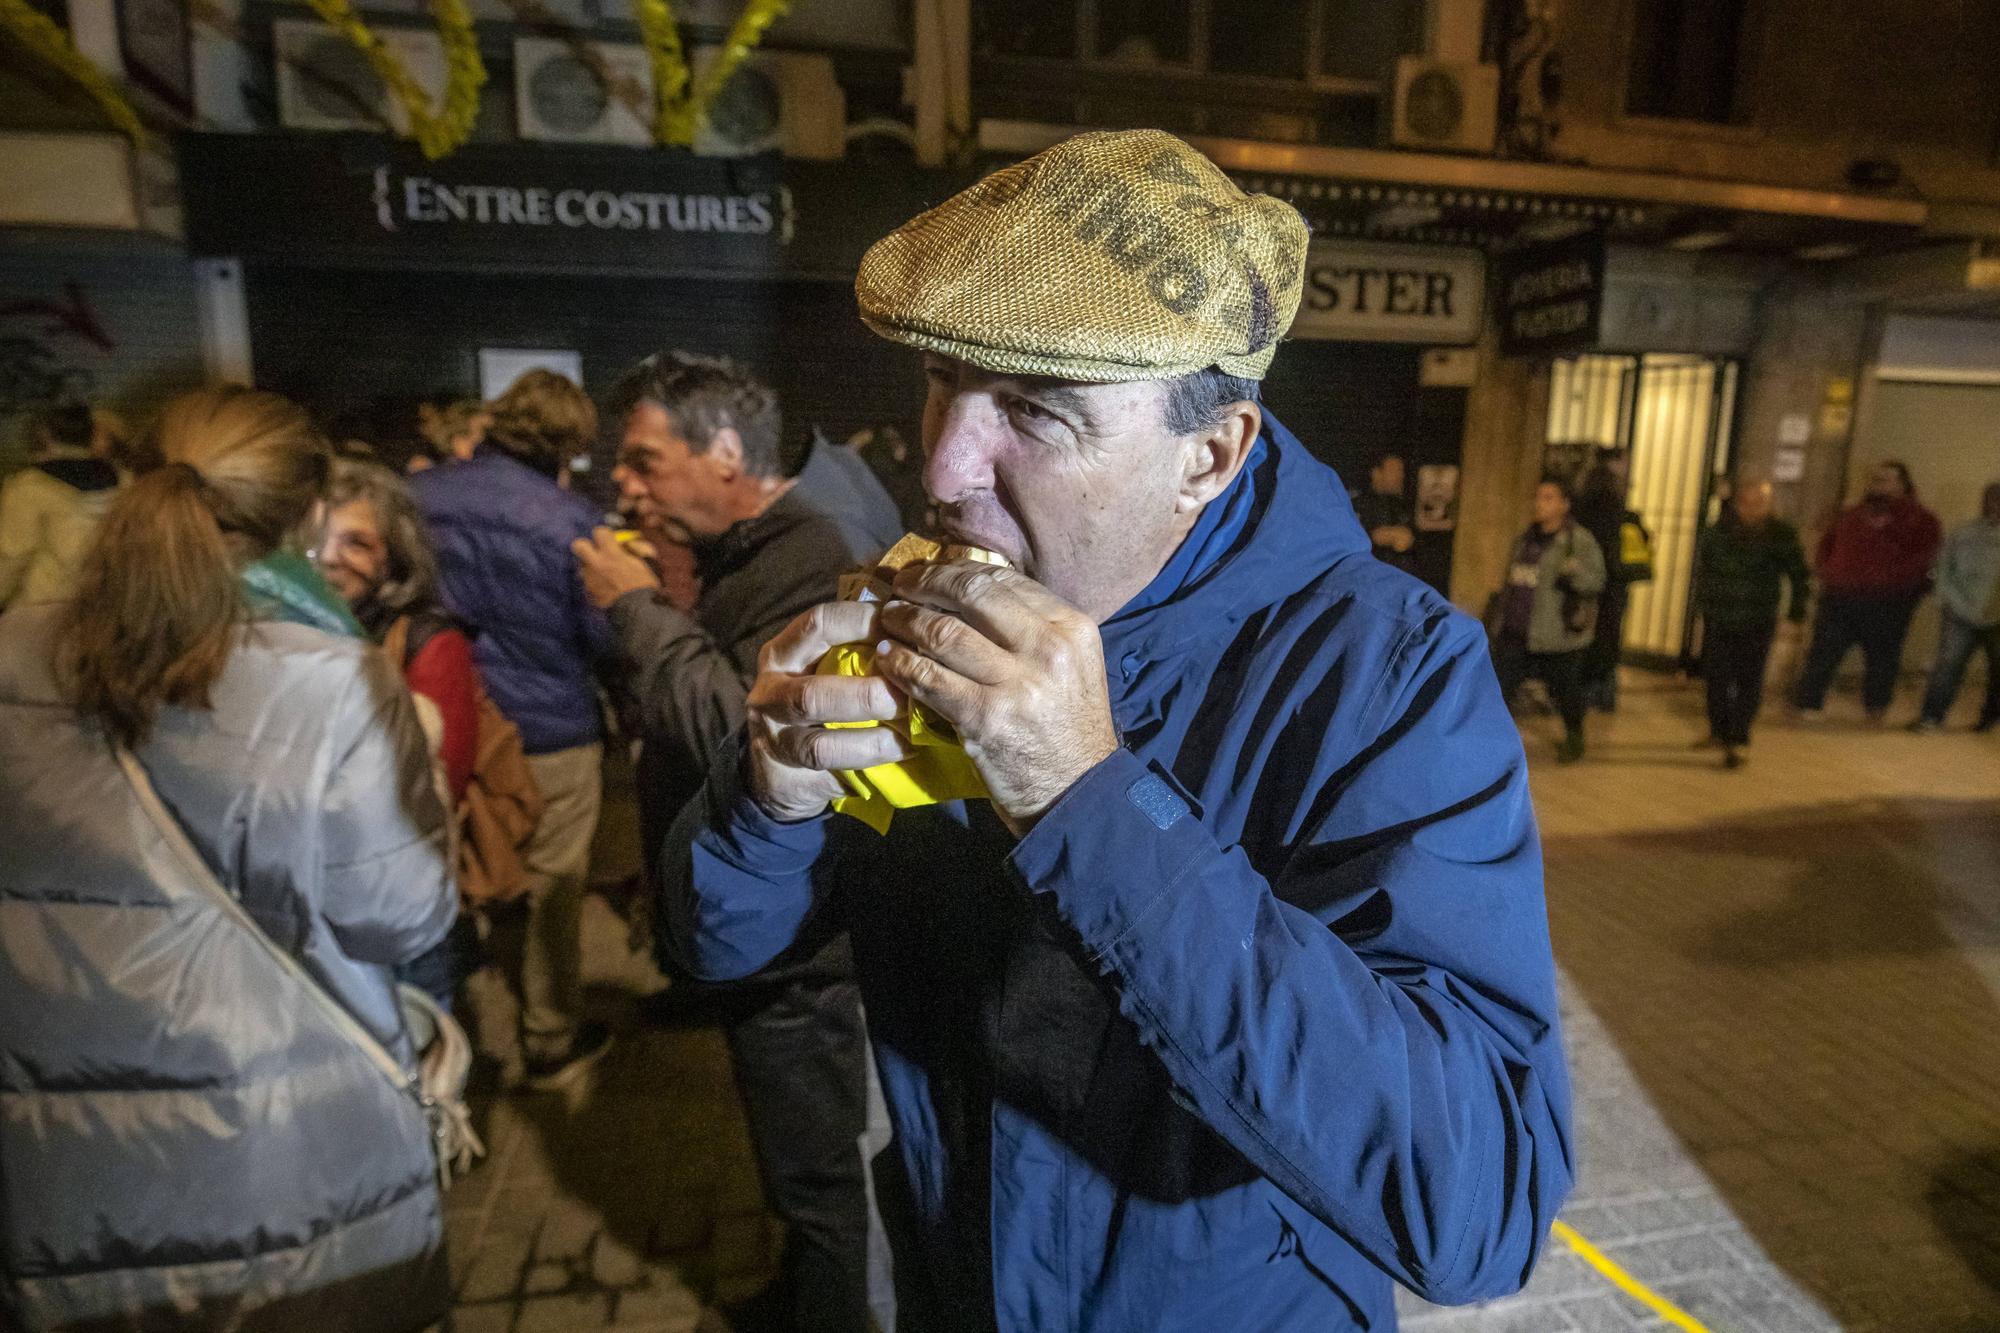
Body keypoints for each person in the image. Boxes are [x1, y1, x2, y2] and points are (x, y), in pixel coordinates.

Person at [653, 130, 1573, 1331]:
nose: (943, 465)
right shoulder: (910, 600)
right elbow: (715, 949)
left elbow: (1481, 1207)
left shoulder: (1386, 674)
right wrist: (762, 796)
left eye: (1035, 412)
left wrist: (1088, 799)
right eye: (942, 378)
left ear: (1208, 453)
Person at [0, 386, 456, 1331]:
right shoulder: (331, 682)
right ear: (305, 514)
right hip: (290, 1155)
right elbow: (401, 912)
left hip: (64, 1166)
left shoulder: (11, 651)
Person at [571, 350, 890, 1333]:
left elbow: (749, 735)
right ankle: (801, 1290)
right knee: (797, 1158)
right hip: (768, 922)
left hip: (802, 947)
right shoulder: (765, 539)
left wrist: (636, 606)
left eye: (640, 460)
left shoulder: (816, 549)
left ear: (721, 453)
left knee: (824, 1167)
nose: (621, 484)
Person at [410, 368, 613, 1087]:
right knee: (554, 877)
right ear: (567, 441)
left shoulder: (416, 499)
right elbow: (603, 632)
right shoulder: (571, 522)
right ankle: (549, 1030)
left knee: (459, 864)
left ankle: (453, 1022)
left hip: (442, 717)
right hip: (551, 724)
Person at [318, 456, 487, 1004]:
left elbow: (441, 789)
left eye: (356, 543)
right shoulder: (294, 628)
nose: (328, 559)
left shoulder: (425, 641)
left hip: (398, 896)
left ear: (394, 558)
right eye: (319, 538)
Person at [1791, 460, 1942, 721]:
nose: (1877, 485)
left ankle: (1875, 707)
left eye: (1885, 480)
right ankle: (1808, 703)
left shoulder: (1921, 520)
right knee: (1824, 652)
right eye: (1874, 479)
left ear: (1902, 485)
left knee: (1882, 659)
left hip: (1888, 602)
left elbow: (1925, 558)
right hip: (1841, 596)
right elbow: (1826, 546)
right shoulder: (1850, 515)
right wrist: (1829, 573)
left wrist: (1894, 582)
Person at [1694, 477, 1811, 768]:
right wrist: (1703, 605)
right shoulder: (1717, 533)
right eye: (1747, 502)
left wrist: (1796, 612)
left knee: (1749, 679)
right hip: (1720, 615)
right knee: (1716, 678)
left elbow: (1798, 575)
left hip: (1757, 617)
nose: (1752, 509)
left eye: (1759, 502)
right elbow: (1705, 572)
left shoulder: (1780, 535)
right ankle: (1719, 730)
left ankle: (1739, 738)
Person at [1492, 477, 1607, 763]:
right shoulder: (1524, 539)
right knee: (1498, 689)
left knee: (1566, 692)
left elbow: (1597, 580)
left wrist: (1574, 573)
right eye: (1538, 496)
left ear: (1564, 504)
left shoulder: (1578, 541)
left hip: (1558, 634)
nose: (1539, 503)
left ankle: (1574, 737)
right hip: (1517, 631)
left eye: (1548, 497)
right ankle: (1491, 743)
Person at [0, 401, 124, 610]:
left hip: (46, 610)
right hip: (107, 608)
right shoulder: (123, 481)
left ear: (46, 439)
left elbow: (11, 557)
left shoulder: (28, 488)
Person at [1911, 480, 2000, 733]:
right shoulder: (1964, 533)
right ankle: (1931, 717)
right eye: (1993, 499)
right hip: (1960, 610)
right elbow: (1943, 569)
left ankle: (1989, 719)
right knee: (1948, 665)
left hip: (1997, 615)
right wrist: (1948, 600)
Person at [1571, 447, 1649, 712]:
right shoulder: (1612, 502)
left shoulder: (1582, 498)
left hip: (1589, 577)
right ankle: (1602, 693)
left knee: (1588, 634)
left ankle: (1588, 691)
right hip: (1612, 580)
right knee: (1608, 635)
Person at [1350, 449, 1416, 572]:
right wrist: (1375, 536)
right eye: (1394, 471)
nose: (1400, 476)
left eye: (1401, 471)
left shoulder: (1402, 506)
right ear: (1376, 473)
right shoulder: (1358, 504)